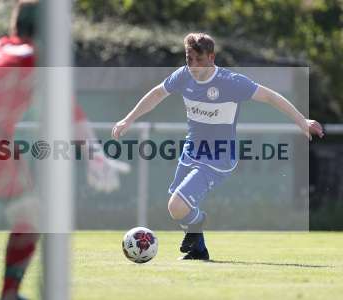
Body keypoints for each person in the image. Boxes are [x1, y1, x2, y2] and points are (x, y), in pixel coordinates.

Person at [0, 1, 128, 299]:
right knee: (31, 211)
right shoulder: (37, 55)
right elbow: (66, 106)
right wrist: (95, 154)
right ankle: (10, 293)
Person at [112, 32, 324, 260]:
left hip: (219, 156)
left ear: (211, 57)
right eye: (188, 59)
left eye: (198, 59)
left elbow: (270, 96)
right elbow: (157, 94)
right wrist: (128, 119)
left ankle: (198, 222)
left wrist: (302, 120)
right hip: (192, 150)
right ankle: (199, 250)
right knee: (176, 207)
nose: (193, 65)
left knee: (178, 206)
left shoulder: (230, 82)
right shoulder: (183, 76)